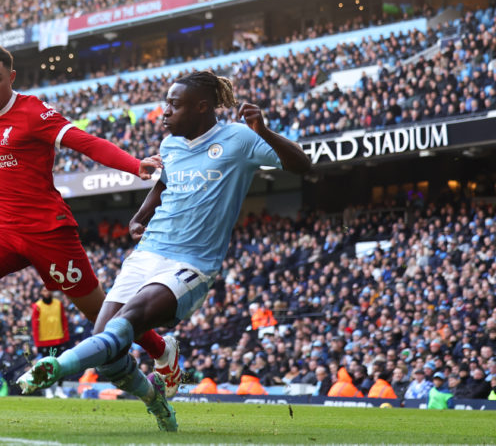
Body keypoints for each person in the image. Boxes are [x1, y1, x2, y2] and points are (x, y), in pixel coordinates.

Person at [17, 70, 311, 432]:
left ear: (202, 107)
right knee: (108, 352)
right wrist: (140, 216)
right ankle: (156, 396)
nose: (165, 111)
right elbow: (163, 185)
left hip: (193, 261)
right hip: (149, 251)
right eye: (166, 103)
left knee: (130, 320)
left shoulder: (237, 139)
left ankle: (59, 366)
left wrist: (263, 132)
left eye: (174, 104)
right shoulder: (170, 146)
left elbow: (303, 165)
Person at [0, 44, 164, 403]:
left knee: (102, 312)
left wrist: (133, 164)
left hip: (48, 231)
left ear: (12, 77)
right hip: (2, 230)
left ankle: (161, 349)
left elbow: (85, 142)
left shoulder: (34, 112)